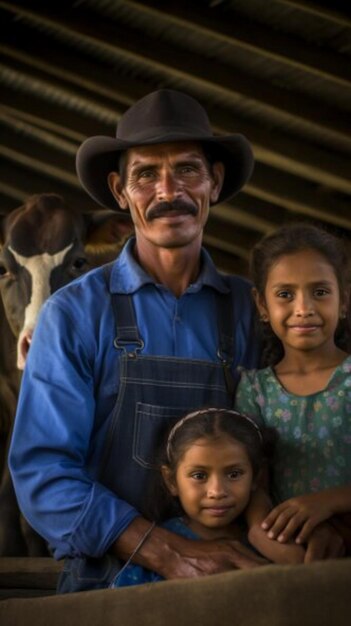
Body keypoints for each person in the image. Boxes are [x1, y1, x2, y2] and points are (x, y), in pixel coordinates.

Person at [9, 88, 264, 593]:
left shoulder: (252, 310)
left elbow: (290, 445)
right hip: (106, 586)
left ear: (213, 181)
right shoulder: (74, 314)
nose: (168, 191)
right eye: (146, 174)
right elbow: (42, 474)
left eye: (188, 170)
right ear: (120, 191)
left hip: (235, 583)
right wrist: (168, 551)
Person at [235, 223, 351, 561]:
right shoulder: (255, 391)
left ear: (344, 299)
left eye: (320, 292)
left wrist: (326, 502)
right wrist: (263, 534)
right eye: (285, 294)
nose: (304, 308)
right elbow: (255, 484)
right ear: (262, 305)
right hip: (291, 554)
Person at [111, 406, 305, 588]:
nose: (217, 491)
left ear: (256, 477)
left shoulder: (272, 535)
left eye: (234, 474)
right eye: (199, 476)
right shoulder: (160, 548)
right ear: (171, 481)